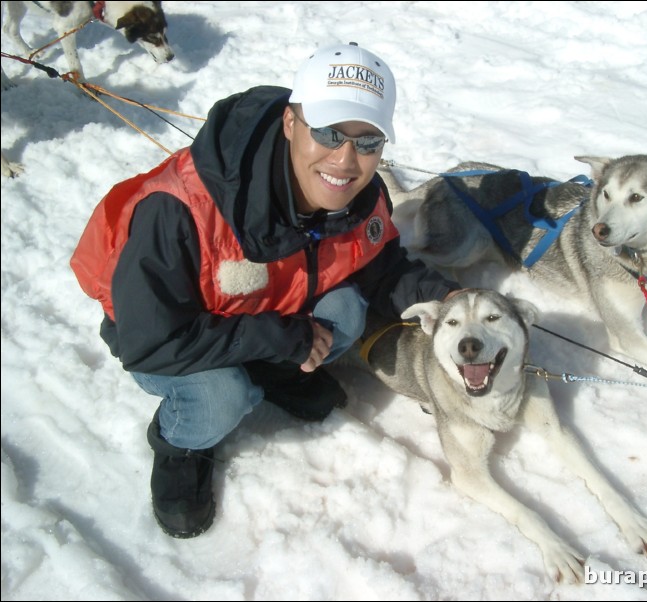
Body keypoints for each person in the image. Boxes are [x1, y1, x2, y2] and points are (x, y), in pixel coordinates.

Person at [70, 42, 460, 539]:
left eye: (368, 141)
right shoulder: (178, 209)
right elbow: (151, 340)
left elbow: (380, 265)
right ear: (291, 123)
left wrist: (453, 303)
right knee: (220, 395)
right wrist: (279, 338)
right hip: (164, 336)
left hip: (266, 312)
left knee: (347, 309)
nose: (345, 160)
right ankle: (179, 446)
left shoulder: (358, 195)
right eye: (328, 131)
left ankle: (275, 374)